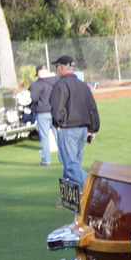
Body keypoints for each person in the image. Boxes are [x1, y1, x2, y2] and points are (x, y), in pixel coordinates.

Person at [51, 56, 100, 188]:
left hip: (68, 129)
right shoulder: (83, 86)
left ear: (61, 67)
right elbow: (92, 108)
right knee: (73, 165)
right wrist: (93, 129)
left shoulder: (61, 85)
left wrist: (58, 124)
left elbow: (57, 107)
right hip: (83, 129)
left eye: (56, 67)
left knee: (71, 167)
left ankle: (95, 188)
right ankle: (70, 199)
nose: (56, 70)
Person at [30, 64, 59, 167]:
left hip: (43, 112)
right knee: (58, 135)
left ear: (38, 73)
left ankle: (46, 160)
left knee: (44, 137)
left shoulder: (39, 83)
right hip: (55, 111)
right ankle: (63, 158)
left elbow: (34, 97)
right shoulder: (56, 80)